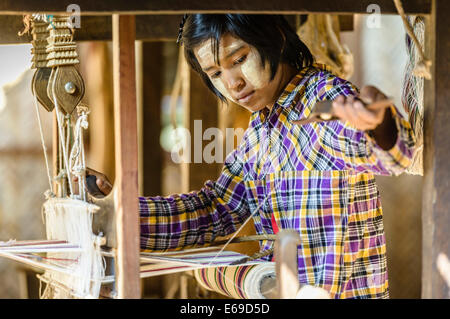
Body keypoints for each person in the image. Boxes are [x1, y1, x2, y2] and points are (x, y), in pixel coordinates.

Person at [89, 14, 416, 299]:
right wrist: (119, 212)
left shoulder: (323, 97)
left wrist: (379, 123)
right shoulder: (262, 129)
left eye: (239, 58)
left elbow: (394, 156)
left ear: (275, 36)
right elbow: (217, 209)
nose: (233, 83)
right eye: (215, 74)